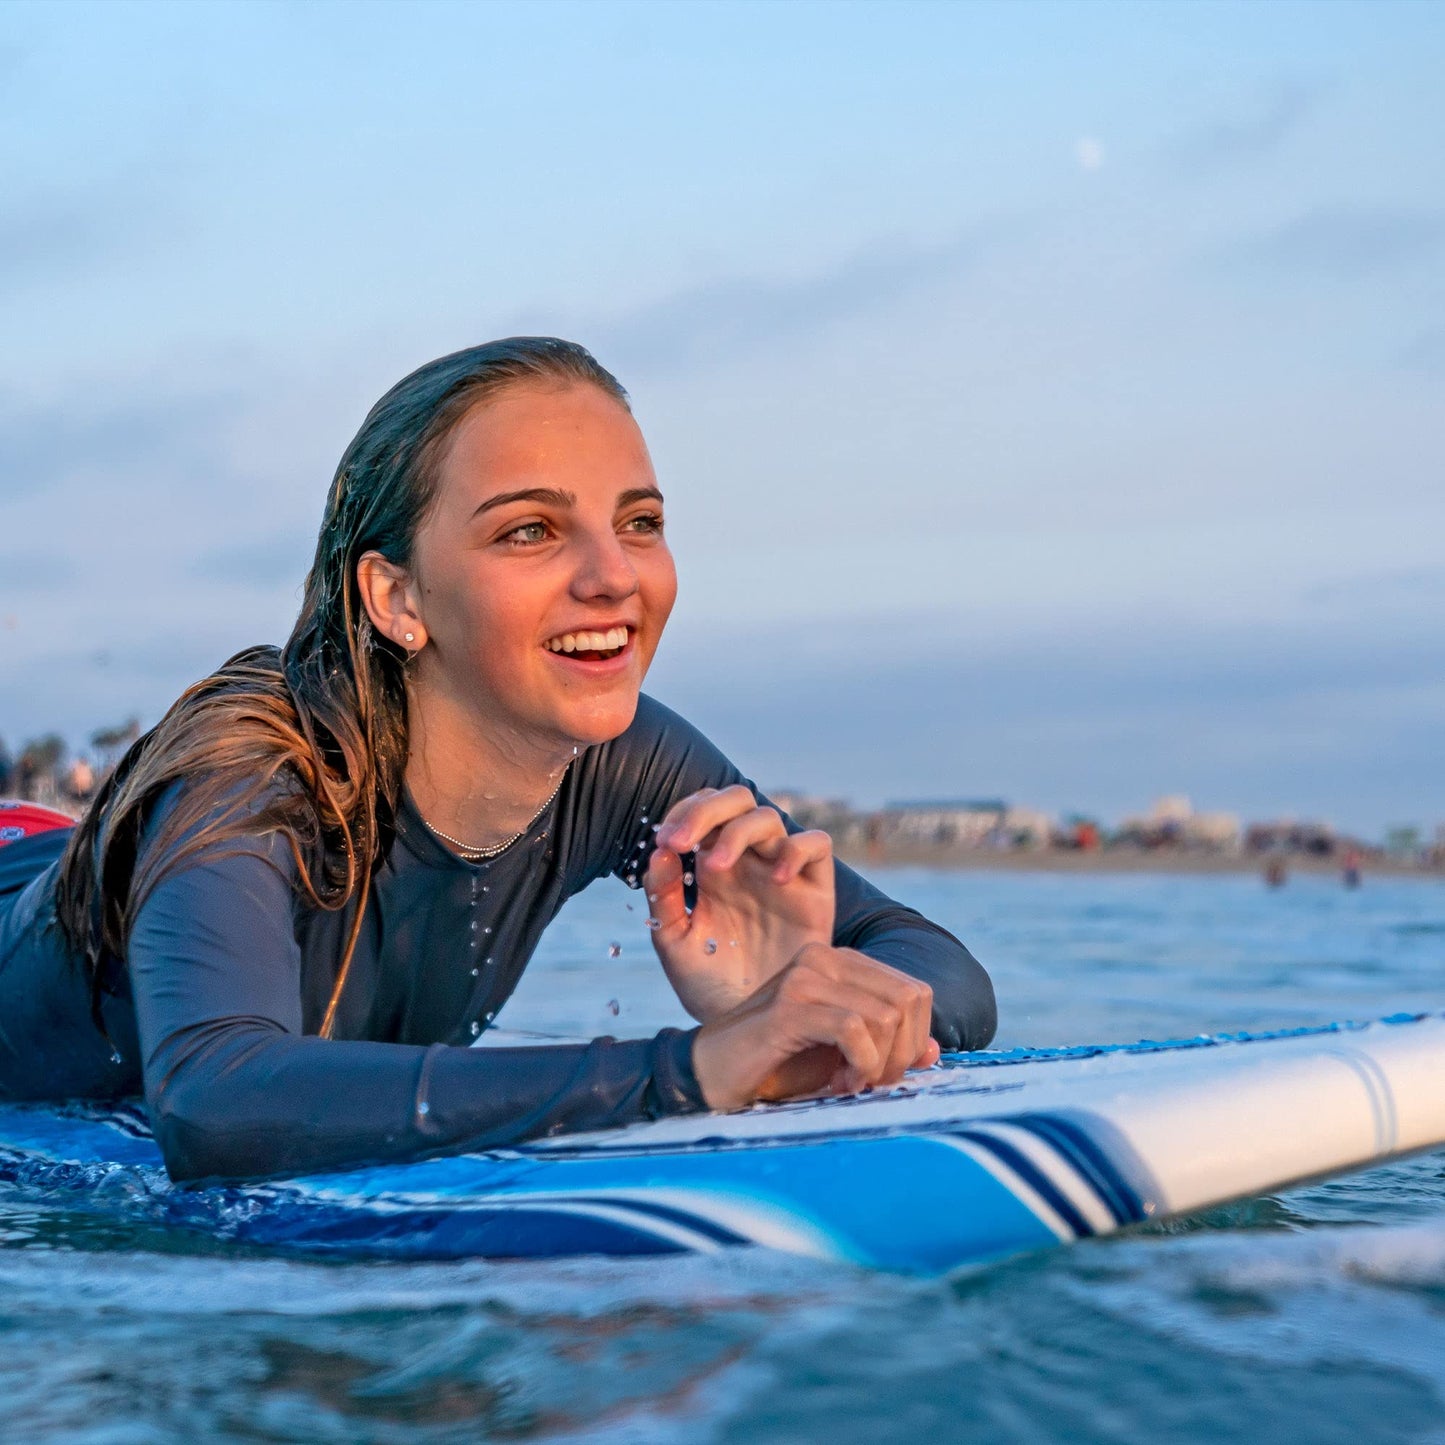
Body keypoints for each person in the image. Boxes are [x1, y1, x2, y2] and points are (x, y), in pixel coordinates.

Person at [0, 338, 996, 1185]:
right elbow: (216, 1103)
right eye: (530, 530)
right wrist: (692, 1069)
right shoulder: (251, 777)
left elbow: (936, 965)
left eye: (638, 522)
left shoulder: (618, 757)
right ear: (396, 597)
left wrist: (801, 996)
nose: (612, 575)